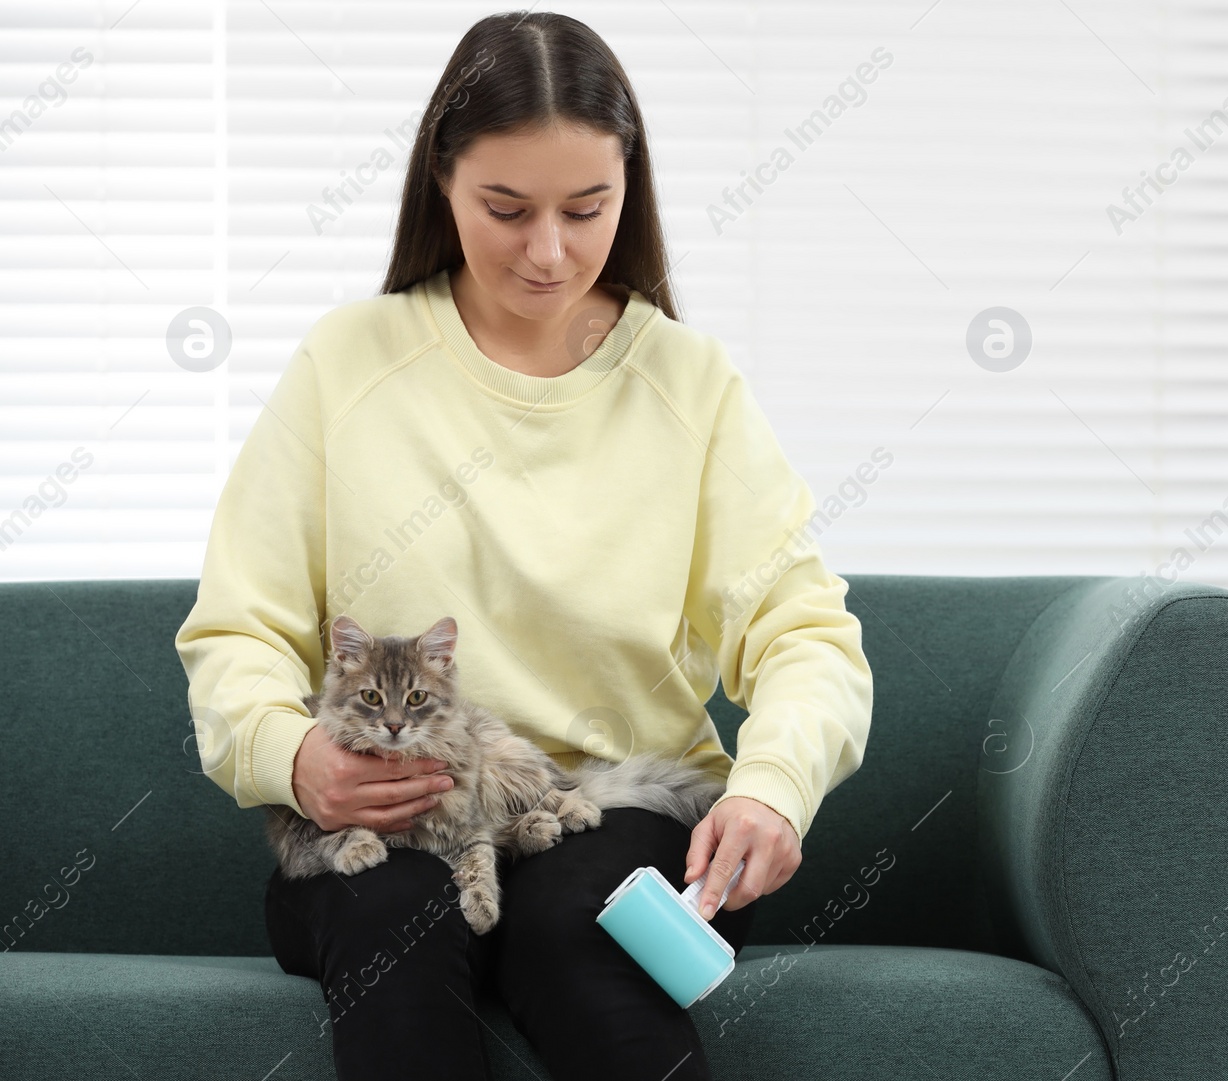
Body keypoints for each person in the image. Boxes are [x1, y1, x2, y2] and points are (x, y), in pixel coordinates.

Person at [172, 11, 873, 1081]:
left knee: (572, 924)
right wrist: (293, 756)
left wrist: (770, 784)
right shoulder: (348, 363)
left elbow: (805, 632)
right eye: (506, 209)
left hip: (610, 814)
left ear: (628, 189)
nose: (549, 252)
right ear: (441, 182)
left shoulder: (687, 385)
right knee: (394, 912)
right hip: (394, 819)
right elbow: (238, 627)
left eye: (587, 208)